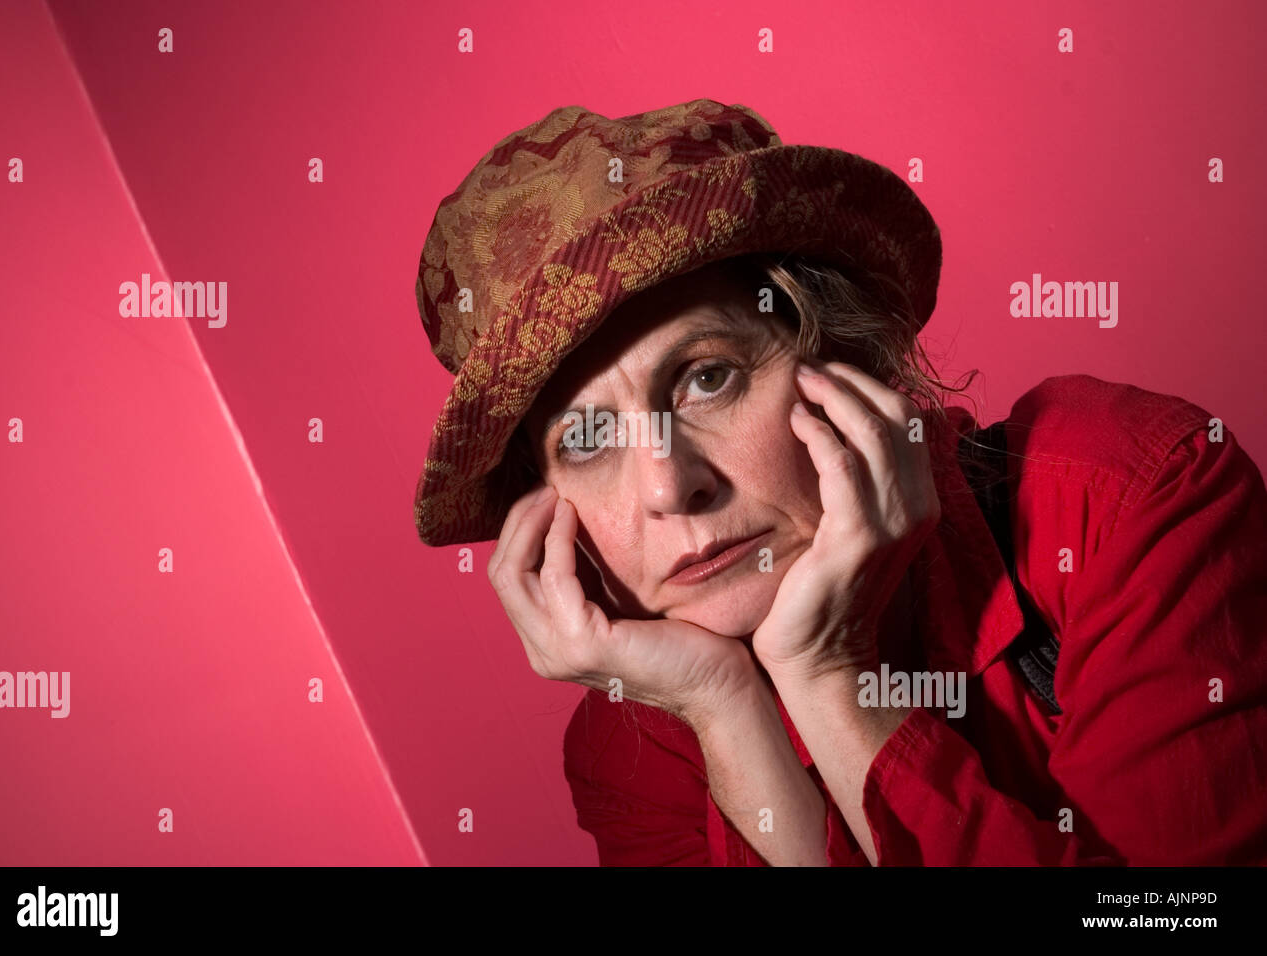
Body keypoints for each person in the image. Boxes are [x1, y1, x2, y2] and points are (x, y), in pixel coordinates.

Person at [413, 98, 1267, 865]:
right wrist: (724, 710)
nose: (671, 488)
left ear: (843, 358)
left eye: (707, 378)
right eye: (589, 437)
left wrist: (829, 678)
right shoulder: (634, 748)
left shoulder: (1124, 492)